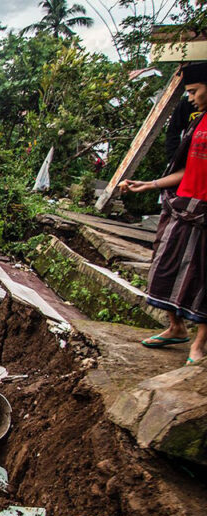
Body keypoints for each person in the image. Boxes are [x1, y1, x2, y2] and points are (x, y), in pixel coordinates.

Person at [121, 62, 207, 365]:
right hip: (184, 204)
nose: (191, 99)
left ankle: (199, 344)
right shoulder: (198, 123)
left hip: (204, 211)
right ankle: (176, 327)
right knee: (164, 265)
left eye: (194, 91)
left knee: (203, 276)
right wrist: (149, 184)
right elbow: (186, 169)